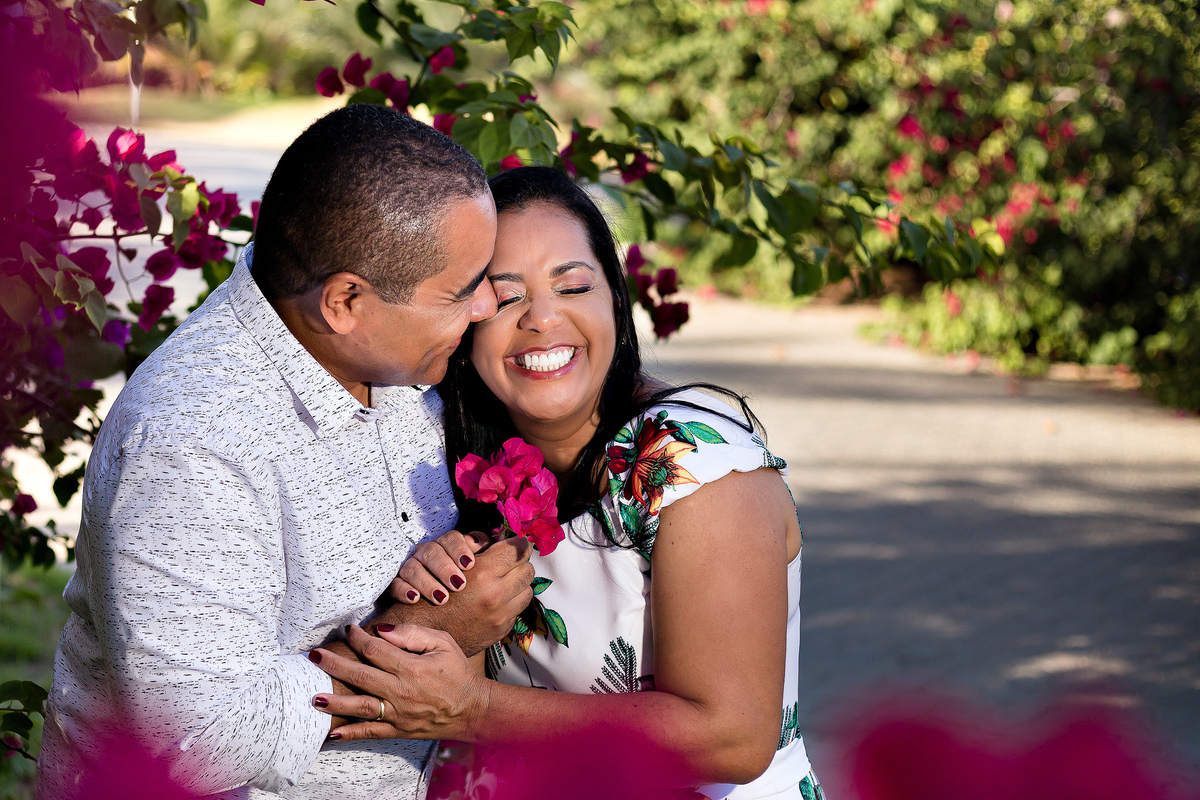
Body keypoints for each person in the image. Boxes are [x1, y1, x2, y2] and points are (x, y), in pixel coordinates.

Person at [36, 105, 537, 800]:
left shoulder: (387, 356)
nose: (486, 306)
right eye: (459, 291)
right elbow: (192, 742)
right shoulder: (194, 438)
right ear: (345, 303)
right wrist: (426, 630)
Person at [305, 166, 823, 799]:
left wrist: (473, 708)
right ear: (465, 321)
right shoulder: (450, 456)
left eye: (573, 285)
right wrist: (433, 599)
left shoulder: (699, 470)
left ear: (614, 301)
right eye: (506, 296)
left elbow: (734, 737)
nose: (543, 319)